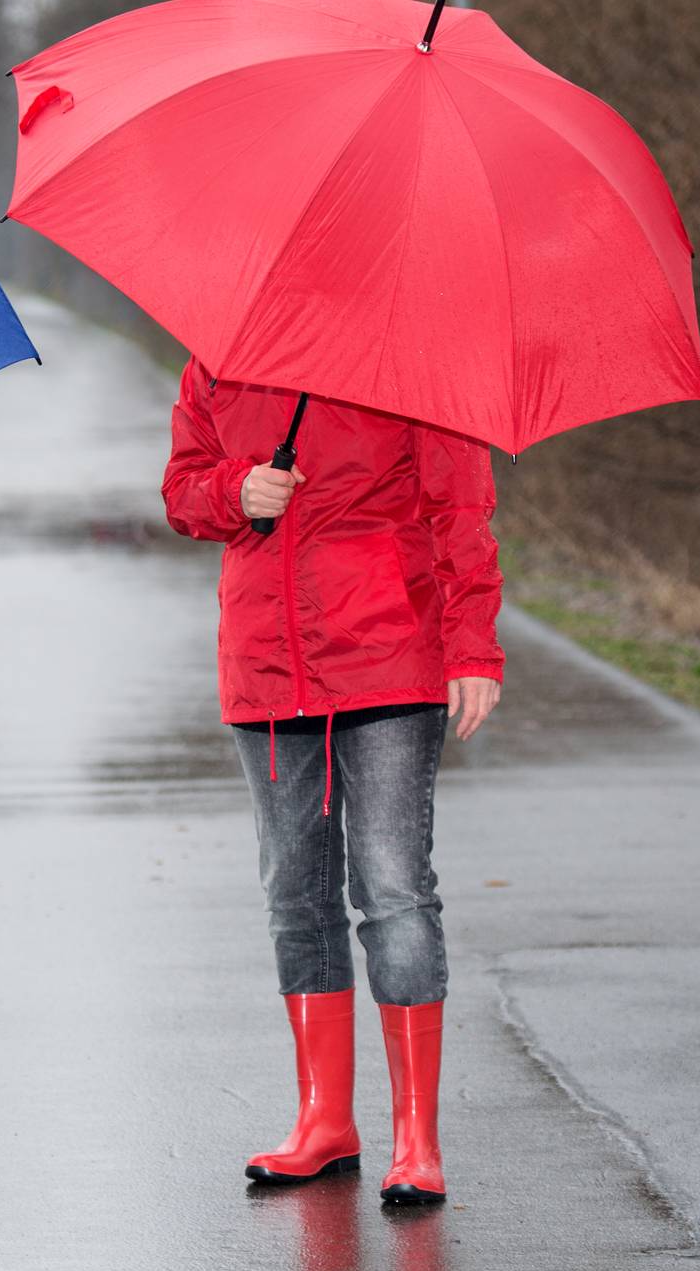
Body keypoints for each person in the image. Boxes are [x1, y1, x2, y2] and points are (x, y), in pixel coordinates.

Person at [160, 362, 505, 1205]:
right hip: (266, 664)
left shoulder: (413, 361)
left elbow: (461, 508)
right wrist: (237, 491)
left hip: (388, 651)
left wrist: (472, 646)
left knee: (393, 890)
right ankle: (324, 1122)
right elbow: (181, 491)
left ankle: (416, 1140)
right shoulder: (218, 358)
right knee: (296, 894)